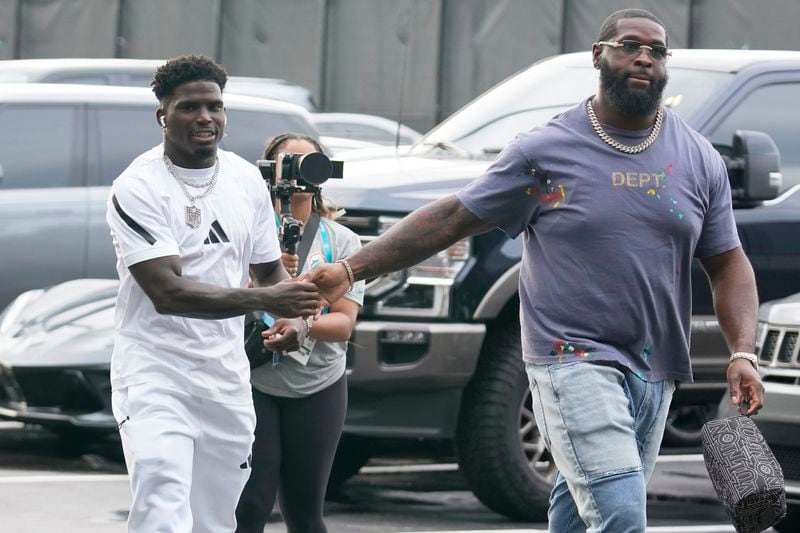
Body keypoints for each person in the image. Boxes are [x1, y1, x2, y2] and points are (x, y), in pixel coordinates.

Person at [302, 9, 765, 532]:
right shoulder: (546, 151)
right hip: (572, 358)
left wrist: (742, 351)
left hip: (656, 365)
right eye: (628, 45)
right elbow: (455, 216)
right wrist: (351, 268)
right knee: (619, 511)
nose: (643, 58)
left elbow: (728, 262)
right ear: (599, 55)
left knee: (577, 503)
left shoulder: (697, 158)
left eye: (656, 51)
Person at [105, 55, 321, 533]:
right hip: (154, 373)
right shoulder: (138, 187)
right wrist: (268, 303)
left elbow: (268, 275)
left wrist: (293, 322)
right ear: (163, 116)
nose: (205, 117)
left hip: (224, 378)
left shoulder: (245, 180)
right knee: (161, 497)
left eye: (214, 106)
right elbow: (169, 292)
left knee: (216, 520)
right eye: (189, 107)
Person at [235, 133, 365, 533]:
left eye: (309, 163)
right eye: (287, 163)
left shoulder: (341, 240)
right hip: (254, 379)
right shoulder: (247, 230)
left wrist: (304, 324)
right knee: (251, 504)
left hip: (318, 383)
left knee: (305, 511)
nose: (297, 174)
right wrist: (263, 283)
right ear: (267, 171)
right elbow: (223, 302)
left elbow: (344, 324)